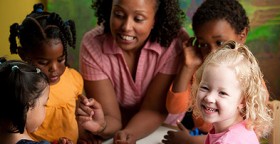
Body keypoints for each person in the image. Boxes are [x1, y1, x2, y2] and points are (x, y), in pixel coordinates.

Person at [76, 0, 188, 143]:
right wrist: (101, 126)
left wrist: (129, 134)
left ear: (156, 19)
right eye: (119, 15)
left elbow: (154, 109)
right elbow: (111, 117)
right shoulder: (92, 44)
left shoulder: (174, 43)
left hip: (164, 130)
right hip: (114, 130)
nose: (126, 27)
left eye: (138, 19)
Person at [163, 0, 258, 143]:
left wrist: (190, 141)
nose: (212, 52)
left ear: (242, 35)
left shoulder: (246, 76)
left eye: (220, 43)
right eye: (203, 44)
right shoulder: (203, 71)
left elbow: (248, 131)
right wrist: (188, 66)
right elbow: (174, 108)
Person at [168, 41, 273, 143]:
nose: (209, 98)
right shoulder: (236, 128)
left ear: (243, 101)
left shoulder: (229, 140)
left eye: (222, 93)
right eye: (205, 87)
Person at [8, 3, 83, 143]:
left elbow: (76, 116)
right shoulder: (23, 89)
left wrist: (85, 132)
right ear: (23, 55)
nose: (54, 68)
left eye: (61, 59)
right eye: (43, 62)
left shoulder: (73, 78)